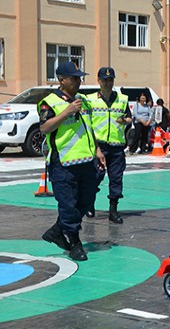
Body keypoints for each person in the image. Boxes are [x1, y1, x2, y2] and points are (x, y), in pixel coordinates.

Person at [39, 62, 106, 261]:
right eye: (74, 78)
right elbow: (44, 128)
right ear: (62, 80)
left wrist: (98, 149)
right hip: (64, 163)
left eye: (79, 77)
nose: (78, 81)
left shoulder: (83, 100)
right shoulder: (49, 102)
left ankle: (57, 231)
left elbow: (89, 127)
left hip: (86, 160)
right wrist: (66, 112)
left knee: (86, 201)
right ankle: (74, 242)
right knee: (68, 205)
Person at [85, 67, 131, 224]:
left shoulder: (122, 99)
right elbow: (87, 123)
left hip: (117, 146)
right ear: (98, 81)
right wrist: (95, 147)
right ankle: (89, 204)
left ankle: (113, 210)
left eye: (110, 80)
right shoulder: (90, 99)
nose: (107, 83)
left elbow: (130, 118)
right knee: (95, 177)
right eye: (104, 80)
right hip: (98, 146)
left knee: (116, 179)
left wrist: (126, 121)